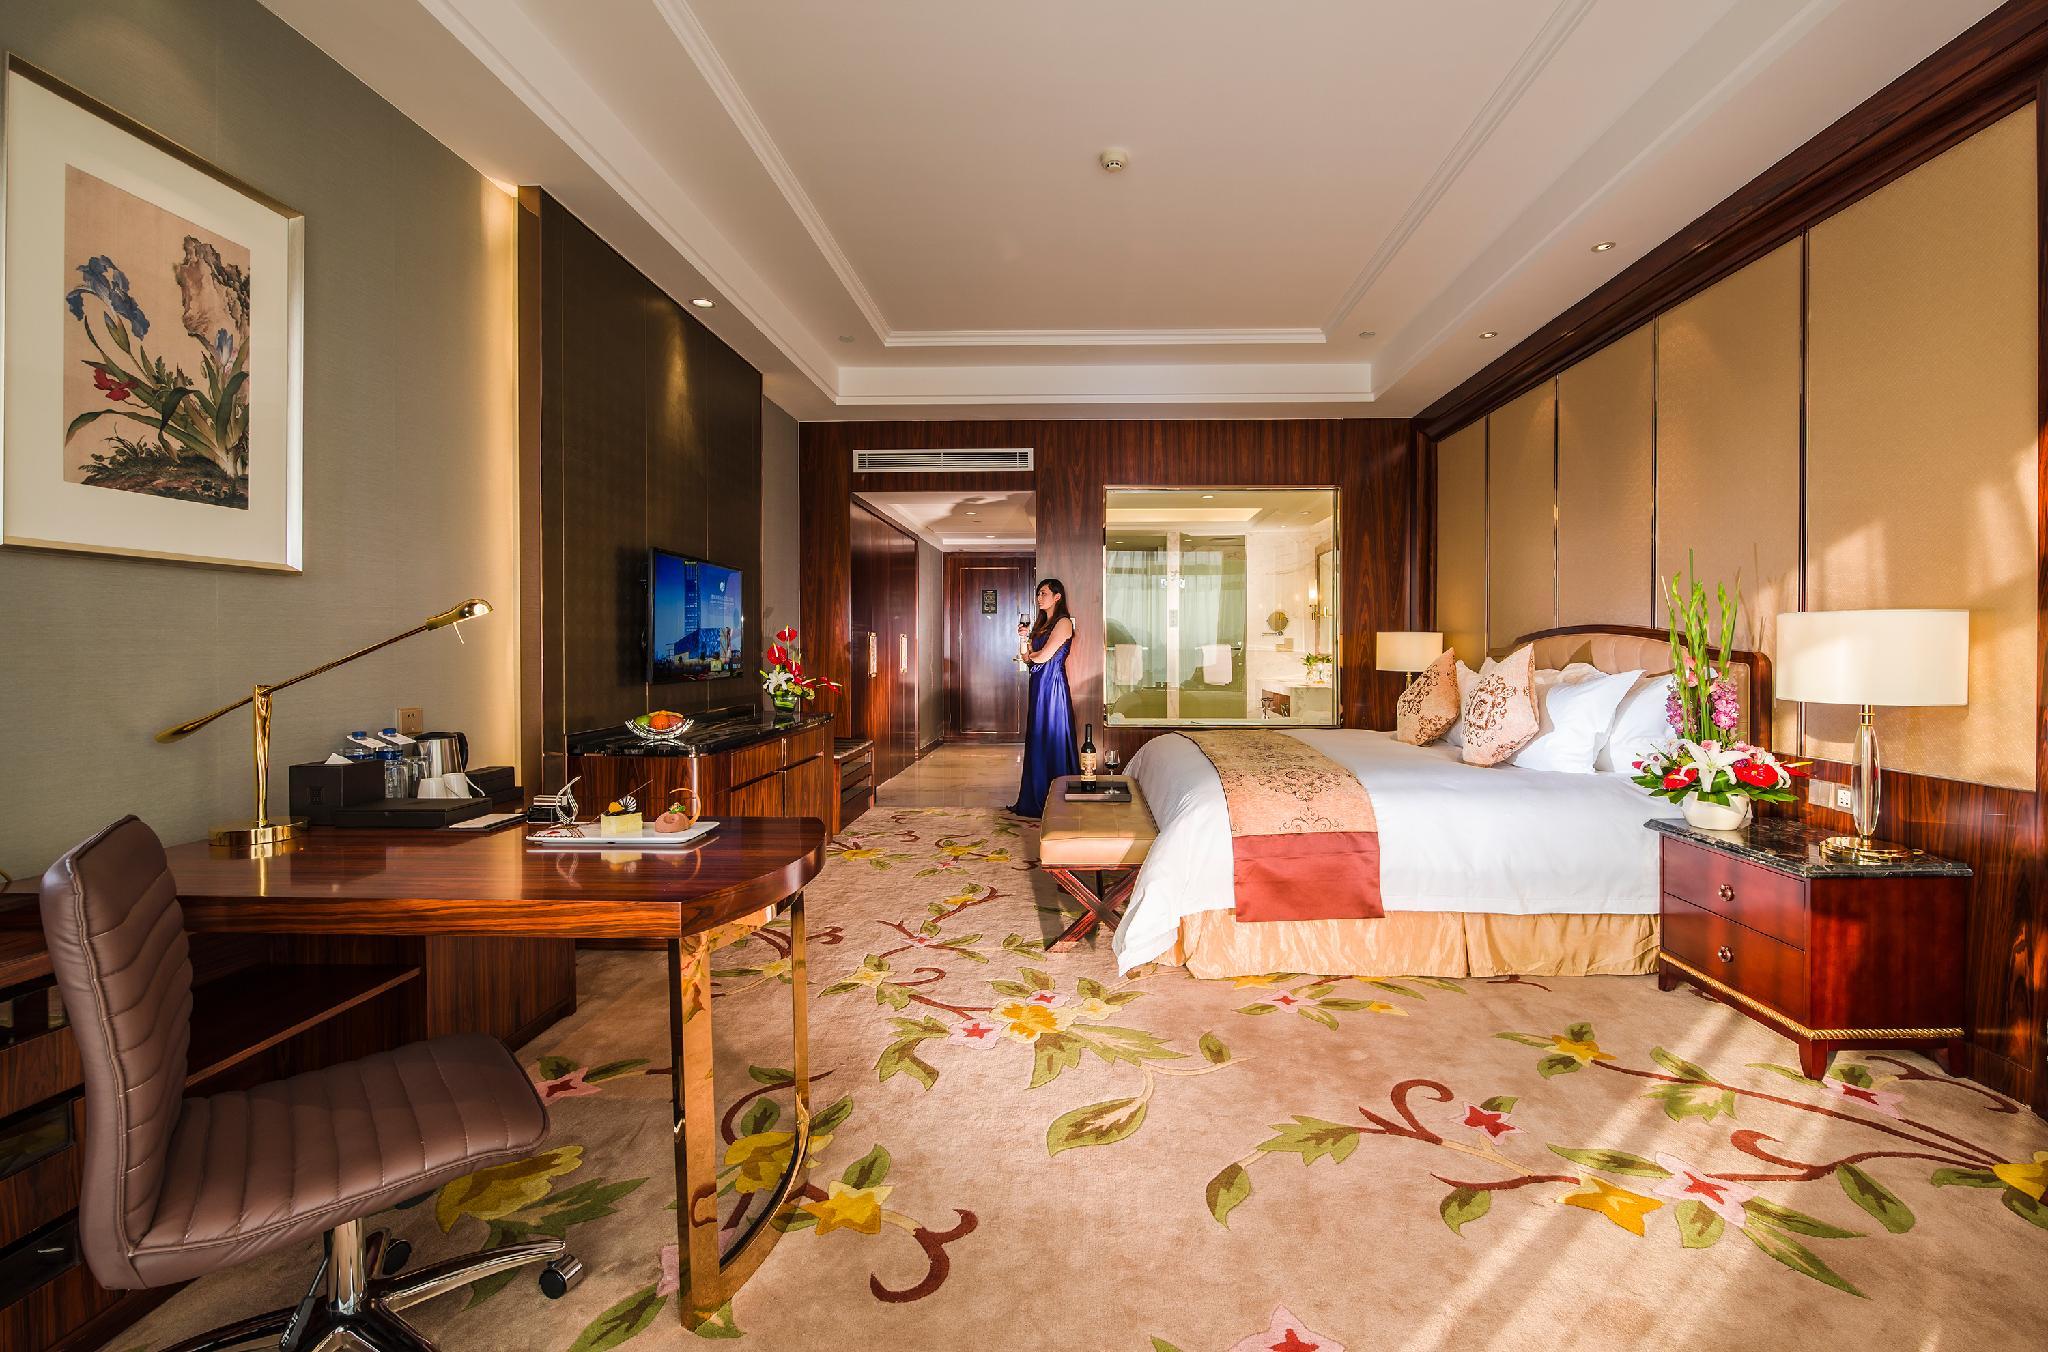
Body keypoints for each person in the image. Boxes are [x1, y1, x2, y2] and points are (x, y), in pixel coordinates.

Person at [1009, 578, 1081, 818]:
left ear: (1057, 596)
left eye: (1044, 593)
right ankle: (1036, 797)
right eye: (1038, 594)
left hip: (1053, 687)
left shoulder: (1063, 623)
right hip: (1039, 685)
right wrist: (1023, 639)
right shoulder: (1041, 624)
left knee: (1051, 736)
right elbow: (1026, 657)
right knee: (1038, 737)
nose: (1039, 598)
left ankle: (1057, 800)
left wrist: (1033, 654)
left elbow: (1041, 657)